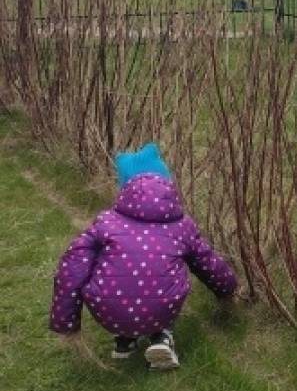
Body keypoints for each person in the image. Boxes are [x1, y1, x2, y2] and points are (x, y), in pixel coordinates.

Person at [50, 143, 237, 370]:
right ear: (167, 184)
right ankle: (162, 337)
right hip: (161, 308)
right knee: (163, 281)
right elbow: (208, 263)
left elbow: (72, 267)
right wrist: (227, 290)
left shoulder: (106, 222)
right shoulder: (182, 226)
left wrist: (67, 322)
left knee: (119, 275)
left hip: (107, 311)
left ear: (125, 188)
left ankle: (124, 340)